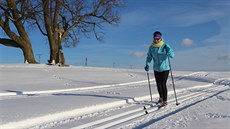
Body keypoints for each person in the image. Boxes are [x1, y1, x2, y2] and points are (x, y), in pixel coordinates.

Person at [144, 31, 175, 107]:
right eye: (155, 38)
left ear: (161, 38)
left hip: (165, 68)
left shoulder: (164, 46)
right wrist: (147, 64)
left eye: (158, 38)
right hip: (156, 69)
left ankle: (165, 100)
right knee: (158, 84)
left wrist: (169, 50)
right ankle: (161, 98)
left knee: (163, 83)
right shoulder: (151, 47)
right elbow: (149, 57)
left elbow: (172, 55)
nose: (156, 40)